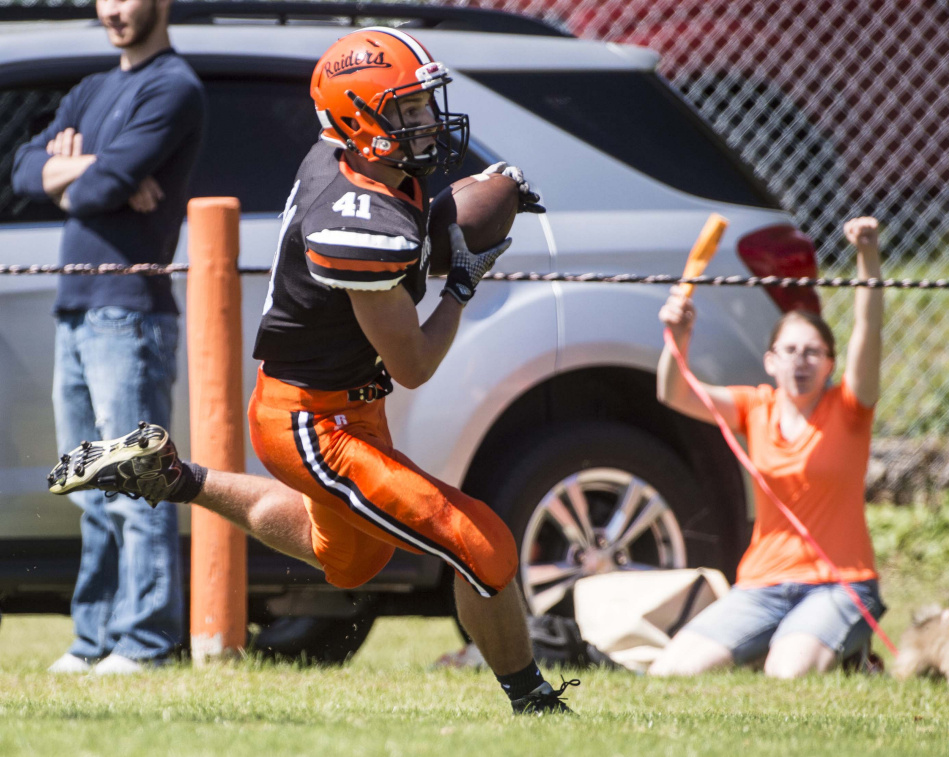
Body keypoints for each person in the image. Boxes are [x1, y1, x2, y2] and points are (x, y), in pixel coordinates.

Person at [46, 27, 578, 715]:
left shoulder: (356, 157)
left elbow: (413, 225)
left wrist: (475, 201)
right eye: (408, 111)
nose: (428, 123)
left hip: (341, 406)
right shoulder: (353, 220)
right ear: (360, 118)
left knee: (354, 561)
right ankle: (534, 704)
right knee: (481, 545)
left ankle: (173, 476)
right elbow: (413, 363)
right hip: (312, 422)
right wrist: (463, 284)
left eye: (424, 106)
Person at [11, 0, 205, 674]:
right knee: (87, 480)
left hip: (129, 308)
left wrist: (76, 175)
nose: (113, 9)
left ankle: (146, 640)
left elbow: (106, 187)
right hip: (76, 304)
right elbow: (21, 167)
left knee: (133, 475)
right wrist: (87, 173)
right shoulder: (93, 89)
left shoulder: (173, 85)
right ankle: (94, 637)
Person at [648, 217, 886, 679]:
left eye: (812, 352)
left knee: (787, 673)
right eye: (790, 351)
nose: (801, 361)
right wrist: (677, 339)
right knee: (671, 671)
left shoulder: (850, 408)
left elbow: (867, 330)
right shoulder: (754, 406)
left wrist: (868, 256)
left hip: (839, 584)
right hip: (762, 584)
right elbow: (674, 394)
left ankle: (843, 648)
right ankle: (776, 637)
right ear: (770, 362)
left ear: (830, 364)